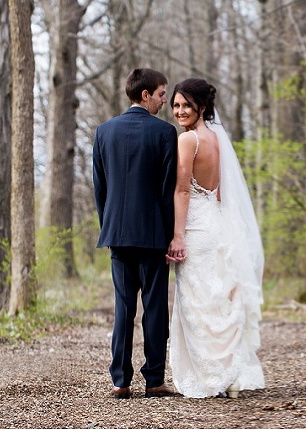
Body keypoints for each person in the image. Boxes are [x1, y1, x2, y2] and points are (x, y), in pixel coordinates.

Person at [166, 78, 265, 399]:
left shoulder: (188, 140)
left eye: (187, 105)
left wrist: (177, 236)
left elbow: (182, 190)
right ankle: (230, 373)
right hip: (219, 224)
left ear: (203, 107)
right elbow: (222, 192)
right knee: (220, 297)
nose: (180, 111)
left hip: (196, 228)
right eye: (176, 105)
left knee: (197, 300)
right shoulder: (219, 138)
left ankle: (211, 376)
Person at [92, 68, 179, 399]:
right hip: (153, 234)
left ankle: (120, 381)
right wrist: (170, 234)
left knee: (123, 308)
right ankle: (154, 380)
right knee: (155, 308)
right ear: (145, 95)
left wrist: (109, 224)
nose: (164, 100)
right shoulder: (164, 132)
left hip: (117, 233)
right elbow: (167, 189)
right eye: (161, 94)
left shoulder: (104, 131)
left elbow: (100, 188)